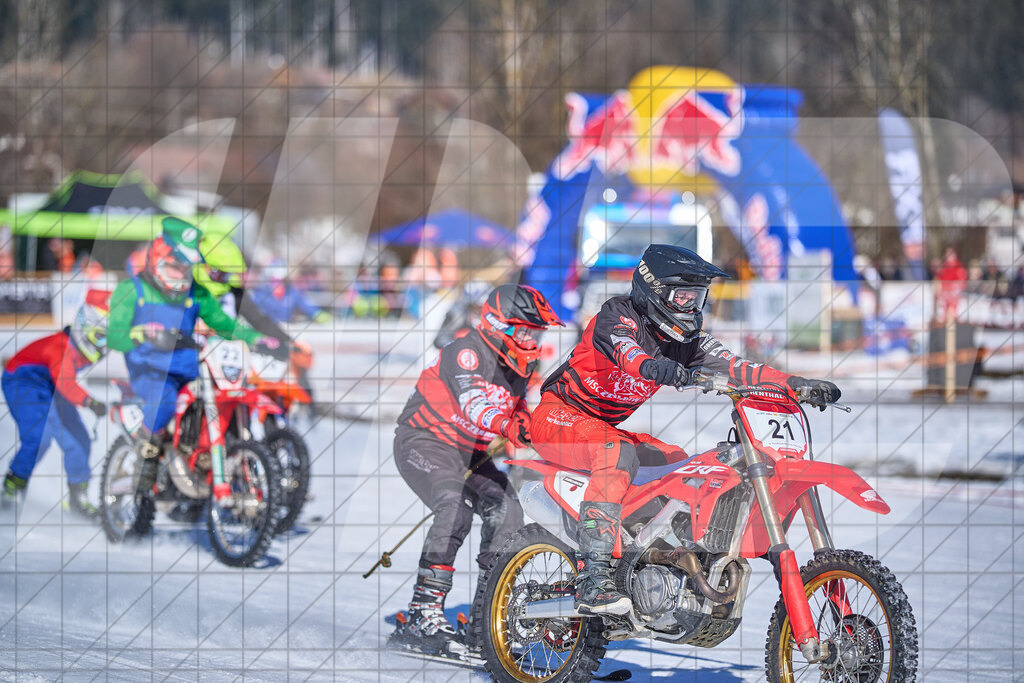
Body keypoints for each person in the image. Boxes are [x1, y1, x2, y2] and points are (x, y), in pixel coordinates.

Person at [530, 244, 841, 616]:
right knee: (616, 452)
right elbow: (625, 349)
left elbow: (739, 366)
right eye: (683, 296)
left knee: (682, 464)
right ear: (654, 291)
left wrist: (795, 382)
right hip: (557, 418)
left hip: (600, 429)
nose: (691, 307)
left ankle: (657, 558)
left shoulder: (685, 342)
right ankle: (593, 579)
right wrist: (652, 367)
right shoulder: (617, 315)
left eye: (697, 298)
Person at [389, 284, 563, 656]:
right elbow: (475, 404)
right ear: (499, 325)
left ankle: (486, 619)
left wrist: (543, 436)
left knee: (508, 511)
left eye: (537, 333)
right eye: (526, 331)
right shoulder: (467, 351)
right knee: (454, 508)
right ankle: (422, 612)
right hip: (424, 441)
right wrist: (507, 425)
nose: (533, 340)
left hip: (471, 453)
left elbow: (517, 411)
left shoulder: (523, 363)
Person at [106, 217, 280, 502]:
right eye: (176, 265)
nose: (182, 272)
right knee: (162, 403)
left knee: (226, 398)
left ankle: (209, 463)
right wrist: (141, 333)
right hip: (150, 371)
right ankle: (145, 467)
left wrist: (255, 338)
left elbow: (224, 322)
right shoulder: (131, 289)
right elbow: (115, 336)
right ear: (159, 257)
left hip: (190, 368)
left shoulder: (195, 292)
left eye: (187, 266)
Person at [1, 290, 111, 518]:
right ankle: (13, 487)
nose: (104, 346)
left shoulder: (78, 345)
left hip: (49, 385)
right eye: (101, 337)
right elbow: (67, 385)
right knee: (38, 438)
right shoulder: (61, 348)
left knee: (78, 439)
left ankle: (77, 498)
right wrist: (90, 401)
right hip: (21, 381)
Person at [249, 258, 332, 325]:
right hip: (267, 329)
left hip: (287, 327)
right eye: (274, 280)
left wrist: (318, 314)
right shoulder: (260, 293)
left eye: (280, 280)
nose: (277, 284)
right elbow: (252, 313)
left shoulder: (292, 292)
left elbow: (306, 305)